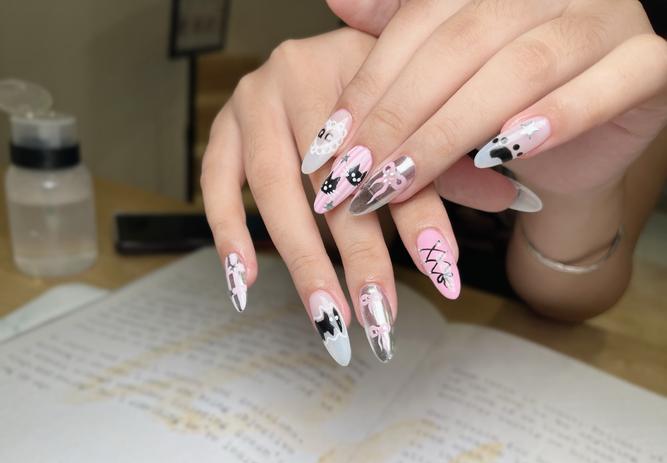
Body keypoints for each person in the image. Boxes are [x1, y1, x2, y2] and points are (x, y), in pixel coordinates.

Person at [202, 0, 667, 366]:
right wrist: (300, 117)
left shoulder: (629, 33)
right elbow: (350, 234)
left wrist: (575, 197)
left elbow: (569, 305)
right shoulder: (378, 20)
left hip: (524, 361)